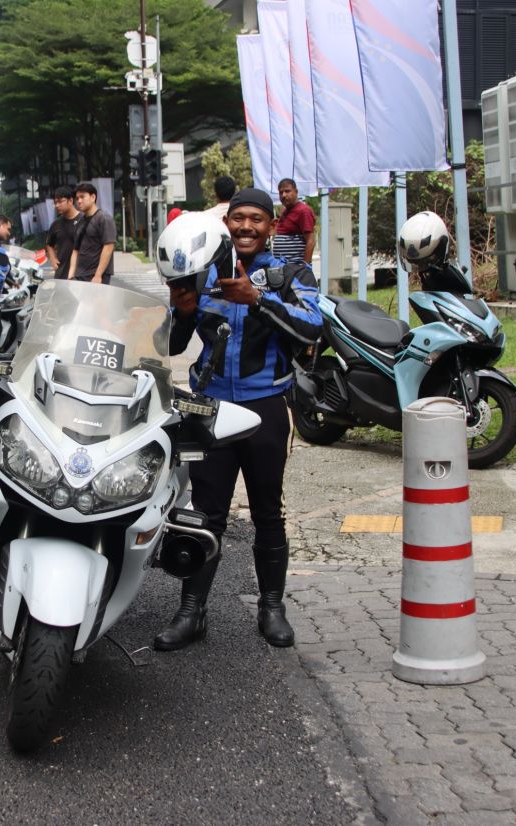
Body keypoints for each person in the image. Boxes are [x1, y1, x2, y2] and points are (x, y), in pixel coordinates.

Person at [153, 192, 322, 650]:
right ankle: (191, 612)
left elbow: (312, 328)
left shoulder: (291, 274)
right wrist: (182, 311)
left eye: (257, 219)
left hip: (266, 406)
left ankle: (272, 609)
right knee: (206, 513)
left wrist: (259, 298)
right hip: (211, 409)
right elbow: (167, 344)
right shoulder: (202, 270)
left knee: (268, 511)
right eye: (239, 218)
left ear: (270, 227)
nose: (247, 226)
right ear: (226, 223)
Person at [68, 181, 116, 284]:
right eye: (77, 198)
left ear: (93, 197)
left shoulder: (104, 219)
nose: (79, 201)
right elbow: (75, 250)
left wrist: (98, 275)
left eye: (82, 197)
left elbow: (108, 247)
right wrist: (71, 275)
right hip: (79, 276)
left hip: (96, 276)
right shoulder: (80, 221)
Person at [272, 178, 315, 264]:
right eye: (281, 192)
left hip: (296, 269)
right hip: (284, 268)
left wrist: (305, 268)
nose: (284, 195)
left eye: (287, 191)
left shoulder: (303, 211)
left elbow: (310, 241)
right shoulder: (285, 211)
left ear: (296, 191)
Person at [44, 185, 81, 280]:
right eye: (55, 202)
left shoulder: (83, 220)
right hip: (61, 273)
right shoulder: (56, 224)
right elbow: (49, 243)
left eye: (60, 202)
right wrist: (53, 259)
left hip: (80, 272)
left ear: (71, 201)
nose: (57, 205)